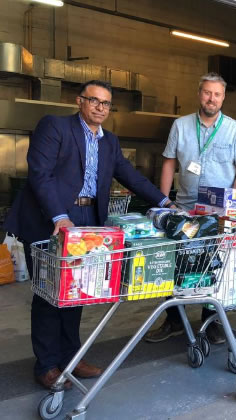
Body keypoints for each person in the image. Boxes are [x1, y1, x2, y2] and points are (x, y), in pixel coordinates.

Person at [3, 80, 175, 390]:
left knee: (77, 291)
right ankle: (46, 365)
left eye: (106, 103)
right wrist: (60, 216)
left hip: (88, 219)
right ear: (80, 101)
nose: (100, 107)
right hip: (50, 218)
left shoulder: (109, 141)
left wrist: (164, 202)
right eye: (93, 100)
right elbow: (40, 174)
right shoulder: (55, 127)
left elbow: (131, 176)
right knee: (49, 293)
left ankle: (71, 357)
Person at [144, 73, 236, 344]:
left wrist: (231, 201)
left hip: (219, 213)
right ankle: (174, 320)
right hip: (184, 207)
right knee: (178, 264)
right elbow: (169, 162)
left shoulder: (235, 129)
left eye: (217, 94)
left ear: (223, 97)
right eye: (207, 93)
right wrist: (163, 202)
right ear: (199, 94)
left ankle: (211, 321)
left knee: (214, 265)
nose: (211, 98)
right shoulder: (180, 126)